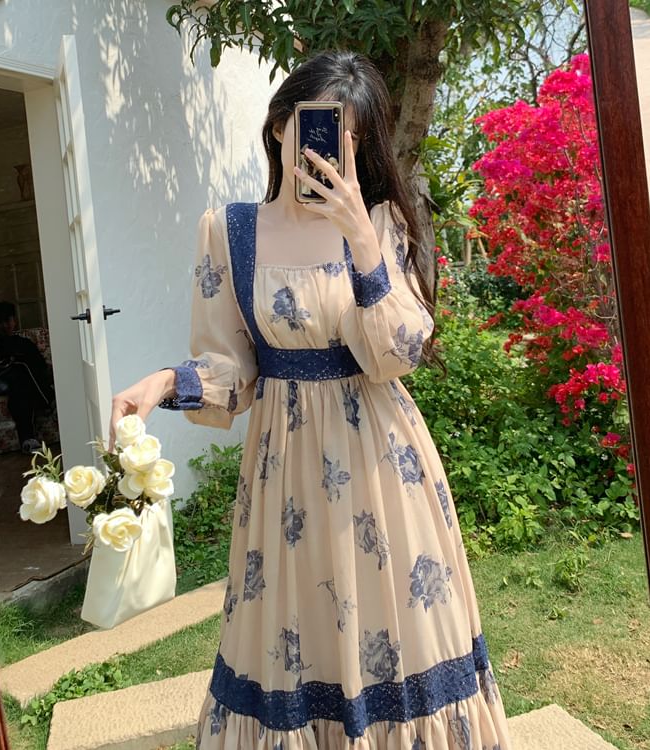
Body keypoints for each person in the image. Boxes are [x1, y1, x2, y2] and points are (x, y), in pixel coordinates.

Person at [110, 50, 511, 749]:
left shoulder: (383, 223)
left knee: (396, 629)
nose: (331, 148)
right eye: (319, 126)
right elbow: (231, 368)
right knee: (291, 636)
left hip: (383, 466)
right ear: (278, 127)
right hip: (285, 472)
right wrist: (167, 382)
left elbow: (397, 354)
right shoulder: (229, 231)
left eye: (352, 136)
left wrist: (360, 237)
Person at [0, 301, 55, 454]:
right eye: (0, 322)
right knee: (19, 371)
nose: (5, 326)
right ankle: (47, 400)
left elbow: (41, 367)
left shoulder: (25, 343)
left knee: (21, 380)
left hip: (22, 385)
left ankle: (27, 440)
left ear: (14, 321)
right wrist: (5, 364)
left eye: (8, 321)